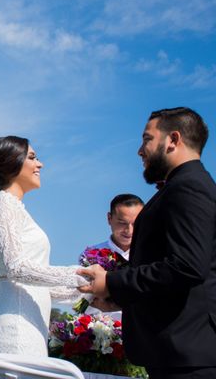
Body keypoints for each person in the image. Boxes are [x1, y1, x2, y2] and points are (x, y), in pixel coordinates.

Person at [79, 107, 216, 378]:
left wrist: (112, 282)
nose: (140, 150)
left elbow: (187, 266)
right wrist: (122, 300)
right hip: (177, 354)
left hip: (188, 359)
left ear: (173, 140)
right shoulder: (182, 186)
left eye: (147, 139)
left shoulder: (188, 187)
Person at [0, 136, 86, 357]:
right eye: (32, 157)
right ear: (11, 162)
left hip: (31, 327)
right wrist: (78, 275)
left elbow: (36, 284)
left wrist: (88, 289)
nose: (40, 164)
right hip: (16, 329)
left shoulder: (14, 208)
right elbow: (16, 268)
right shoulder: (3, 205)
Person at [88, 193, 144, 261]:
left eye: (136, 224)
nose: (130, 231)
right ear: (109, 218)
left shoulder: (155, 253)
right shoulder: (91, 256)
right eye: (122, 223)